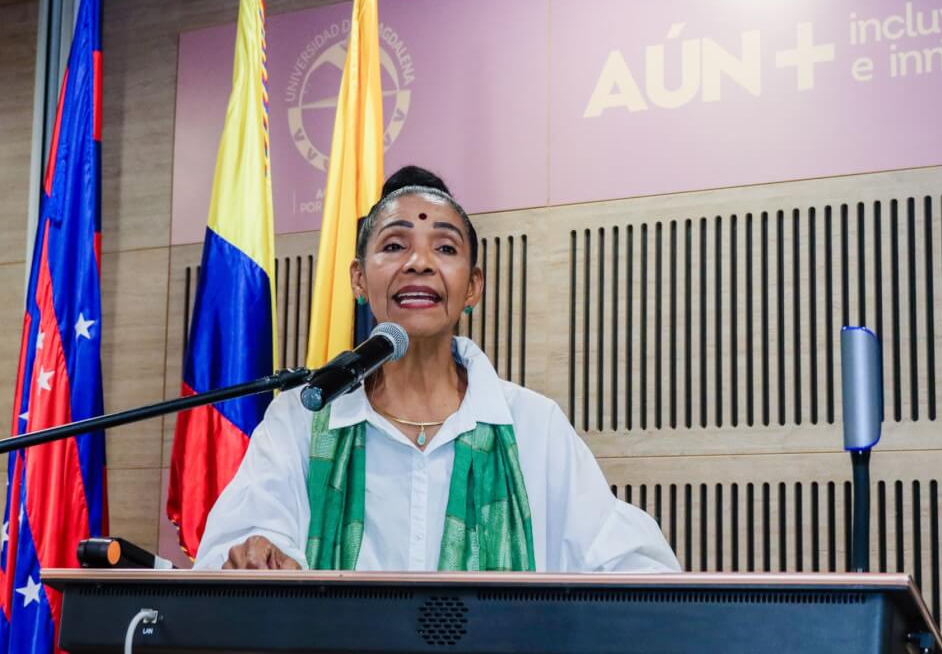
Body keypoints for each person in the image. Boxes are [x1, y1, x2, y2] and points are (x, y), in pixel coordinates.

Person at [194, 166, 680, 572]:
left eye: (445, 249)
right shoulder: (302, 421)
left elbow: (635, 572)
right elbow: (239, 546)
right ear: (359, 279)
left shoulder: (533, 426)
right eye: (393, 246)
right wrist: (257, 558)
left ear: (472, 287)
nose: (419, 262)